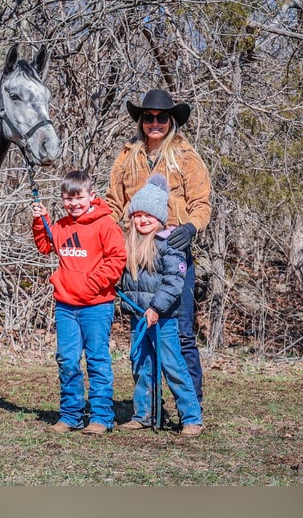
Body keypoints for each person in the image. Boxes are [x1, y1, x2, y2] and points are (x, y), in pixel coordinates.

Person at [106, 88, 211, 405]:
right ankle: (147, 406)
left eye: (161, 117)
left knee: (180, 331)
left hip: (172, 250)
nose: (155, 122)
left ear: (171, 121)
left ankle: (191, 405)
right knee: (141, 328)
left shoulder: (186, 158)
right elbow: (113, 203)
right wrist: (108, 238)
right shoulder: (127, 157)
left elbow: (201, 205)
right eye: (148, 117)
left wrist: (191, 227)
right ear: (140, 120)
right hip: (134, 254)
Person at [32, 169, 127, 436]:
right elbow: (45, 245)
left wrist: (91, 284)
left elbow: (117, 259)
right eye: (67, 199)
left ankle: (101, 417)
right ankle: (71, 414)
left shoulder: (106, 225)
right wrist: (41, 221)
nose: (73, 204)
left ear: (91, 196)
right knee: (67, 360)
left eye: (78, 198)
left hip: (96, 306)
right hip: (66, 306)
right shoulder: (61, 226)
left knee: (97, 360)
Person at [116, 174, 204, 437]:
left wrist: (156, 308)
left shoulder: (170, 243)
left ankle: (191, 417)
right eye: (138, 215)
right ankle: (143, 414)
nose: (143, 220)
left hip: (164, 318)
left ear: (160, 219)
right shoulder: (127, 243)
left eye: (149, 216)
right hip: (139, 317)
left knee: (173, 366)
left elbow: (174, 282)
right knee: (141, 365)